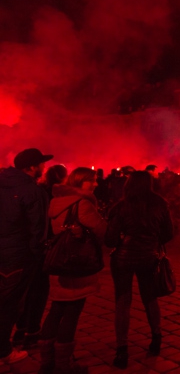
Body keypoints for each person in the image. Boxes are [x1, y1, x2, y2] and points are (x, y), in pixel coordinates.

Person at [40, 167, 106, 374]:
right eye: (91, 181)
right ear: (80, 182)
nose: (95, 184)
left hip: (58, 265)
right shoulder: (82, 204)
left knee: (56, 309)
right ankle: (63, 365)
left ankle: (46, 363)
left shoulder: (56, 202)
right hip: (76, 265)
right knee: (72, 313)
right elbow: (103, 231)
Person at [105, 171, 174, 369]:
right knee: (150, 298)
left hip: (123, 258)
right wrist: (152, 241)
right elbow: (168, 233)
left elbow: (109, 239)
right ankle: (156, 338)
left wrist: (121, 240)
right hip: (148, 257)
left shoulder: (120, 206)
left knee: (123, 301)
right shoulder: (160, 204)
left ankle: (122, 350)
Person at [0, 148, 52, 365]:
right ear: (31, 167)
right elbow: (38, 229)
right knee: (9, 304)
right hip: (18, 256)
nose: (43, 168)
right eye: (40, 164)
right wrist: (38, 254)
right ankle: (3, 351)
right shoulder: (31, 190)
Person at [13, 164, 67, 353]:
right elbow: (41, 224)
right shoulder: (47, 194)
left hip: (21, 248)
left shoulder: (34, 190)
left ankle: (20, 330)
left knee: (25, 292)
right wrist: (41, 247)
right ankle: (32, 332)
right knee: (38, 291)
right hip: (37, 249)